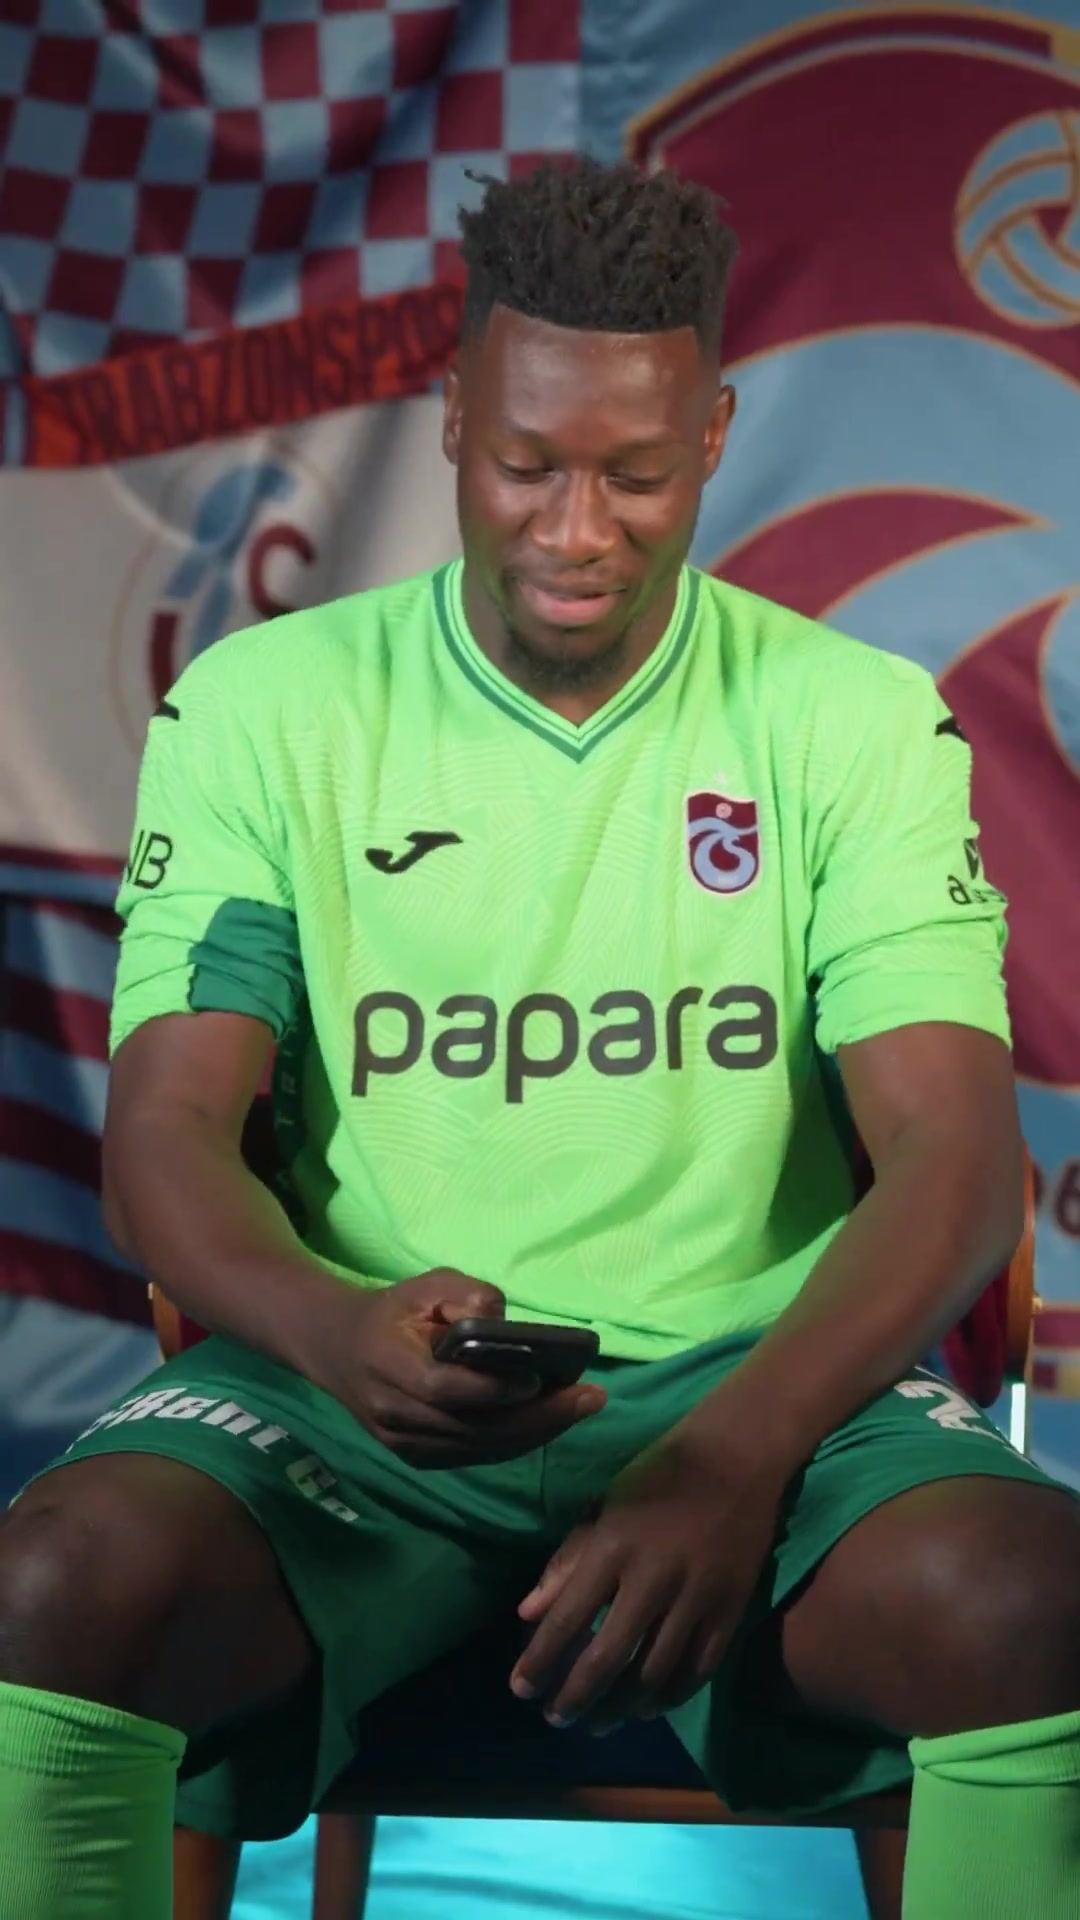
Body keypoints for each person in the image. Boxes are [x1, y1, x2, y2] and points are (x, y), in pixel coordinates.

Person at [0, 158, 1078, 1920]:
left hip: (768, 1392)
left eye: (636, 475)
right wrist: (332, 1327)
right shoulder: (264, 710)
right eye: (527, 466)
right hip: (349, 1397)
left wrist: (733, 1454)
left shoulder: (856, 722)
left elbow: (956, 1164)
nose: (578, 529)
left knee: (1036, 1603)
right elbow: (167, 1135)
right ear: (452, 421)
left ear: (714, 436)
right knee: (54, 1586)